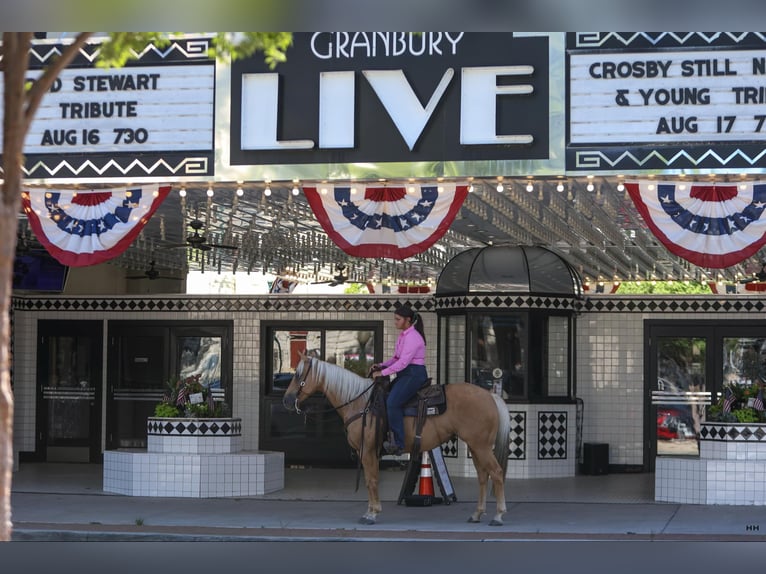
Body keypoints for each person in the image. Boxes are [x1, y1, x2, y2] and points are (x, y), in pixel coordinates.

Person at [371, 305, 428, 456]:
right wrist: (382, 365)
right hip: (406, 374)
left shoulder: (413, 337)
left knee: (392, 403)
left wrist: (382, 372)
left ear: (407, 320)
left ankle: (400, 443)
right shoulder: (403, 335)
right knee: (386, 397)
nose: (395, 322)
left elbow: (403, 362)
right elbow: (396, 358)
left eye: (398, 319)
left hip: (414, 374)